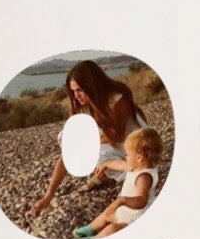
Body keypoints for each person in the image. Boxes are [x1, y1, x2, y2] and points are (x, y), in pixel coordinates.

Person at [28, 60, 148, 222]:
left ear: (92, 86)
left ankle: (111, 174)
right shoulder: (82, 106)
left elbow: (117, 136)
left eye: (80, 90)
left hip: (136, 147)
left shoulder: (117, 98)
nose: (76, 96)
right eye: (73, 91)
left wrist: (83, 142)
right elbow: (66, 157)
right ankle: (107, 174)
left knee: (87, 149)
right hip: (111, 145)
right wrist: (47, 196)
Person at [73, 127, 163, 239]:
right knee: (107, 214)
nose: (126, 157)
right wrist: (105, 165)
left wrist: (123, 200)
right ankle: (89, 229)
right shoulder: (134, 166)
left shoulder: (144, 176)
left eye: (128, 154)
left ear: (139, 158)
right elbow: (119, 164)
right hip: (126, 209)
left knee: (112, 229)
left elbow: (142, 200)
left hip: (136, 215)